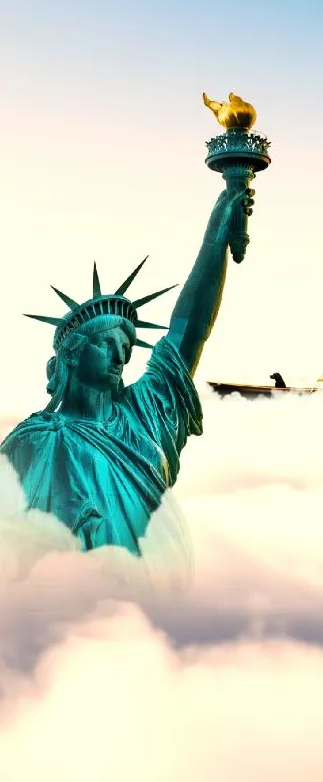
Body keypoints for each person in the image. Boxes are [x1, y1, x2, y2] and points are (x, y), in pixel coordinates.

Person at [1, 187, 254, 553]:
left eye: (126, 348)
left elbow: (191, 330)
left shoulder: (145, 412)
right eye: (106, 343)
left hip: (155, 592)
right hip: (67, 597)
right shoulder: (33, 440)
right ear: (72, 354)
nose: (120, 356)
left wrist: (215, 241)